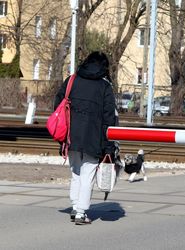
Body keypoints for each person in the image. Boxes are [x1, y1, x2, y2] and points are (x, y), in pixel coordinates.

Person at [54, 51, 117, 225]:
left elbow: (57, 105)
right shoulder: (104, 87)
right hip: (93, 138)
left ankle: (75, 207)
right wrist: (109, 147)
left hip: (70, 137)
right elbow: (109, 119)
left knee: (76, 173)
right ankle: (81, 212)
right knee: (88, 174)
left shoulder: (72, 80)